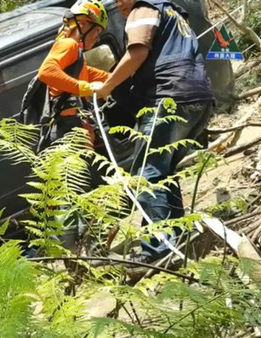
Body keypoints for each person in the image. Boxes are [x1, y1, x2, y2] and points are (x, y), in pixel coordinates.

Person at [94, 0, 215, 263]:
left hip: (169, 98)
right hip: (198, 97)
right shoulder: (173, 13)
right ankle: (177, 238)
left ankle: (158, 250)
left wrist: (105, 86)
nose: (118, 3)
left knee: (145, 177)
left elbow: (137, 53)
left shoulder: (144, 9)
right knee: (163, 173)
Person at [37, 0, 109, 147]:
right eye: (97, 31)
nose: (98, 38)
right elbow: (46, 71)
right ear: (82, 24)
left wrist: (116, 79)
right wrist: (86, 89)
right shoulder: (69, 44)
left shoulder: (77, 56)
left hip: (71, 126)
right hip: (68, 128)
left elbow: (89, 73)